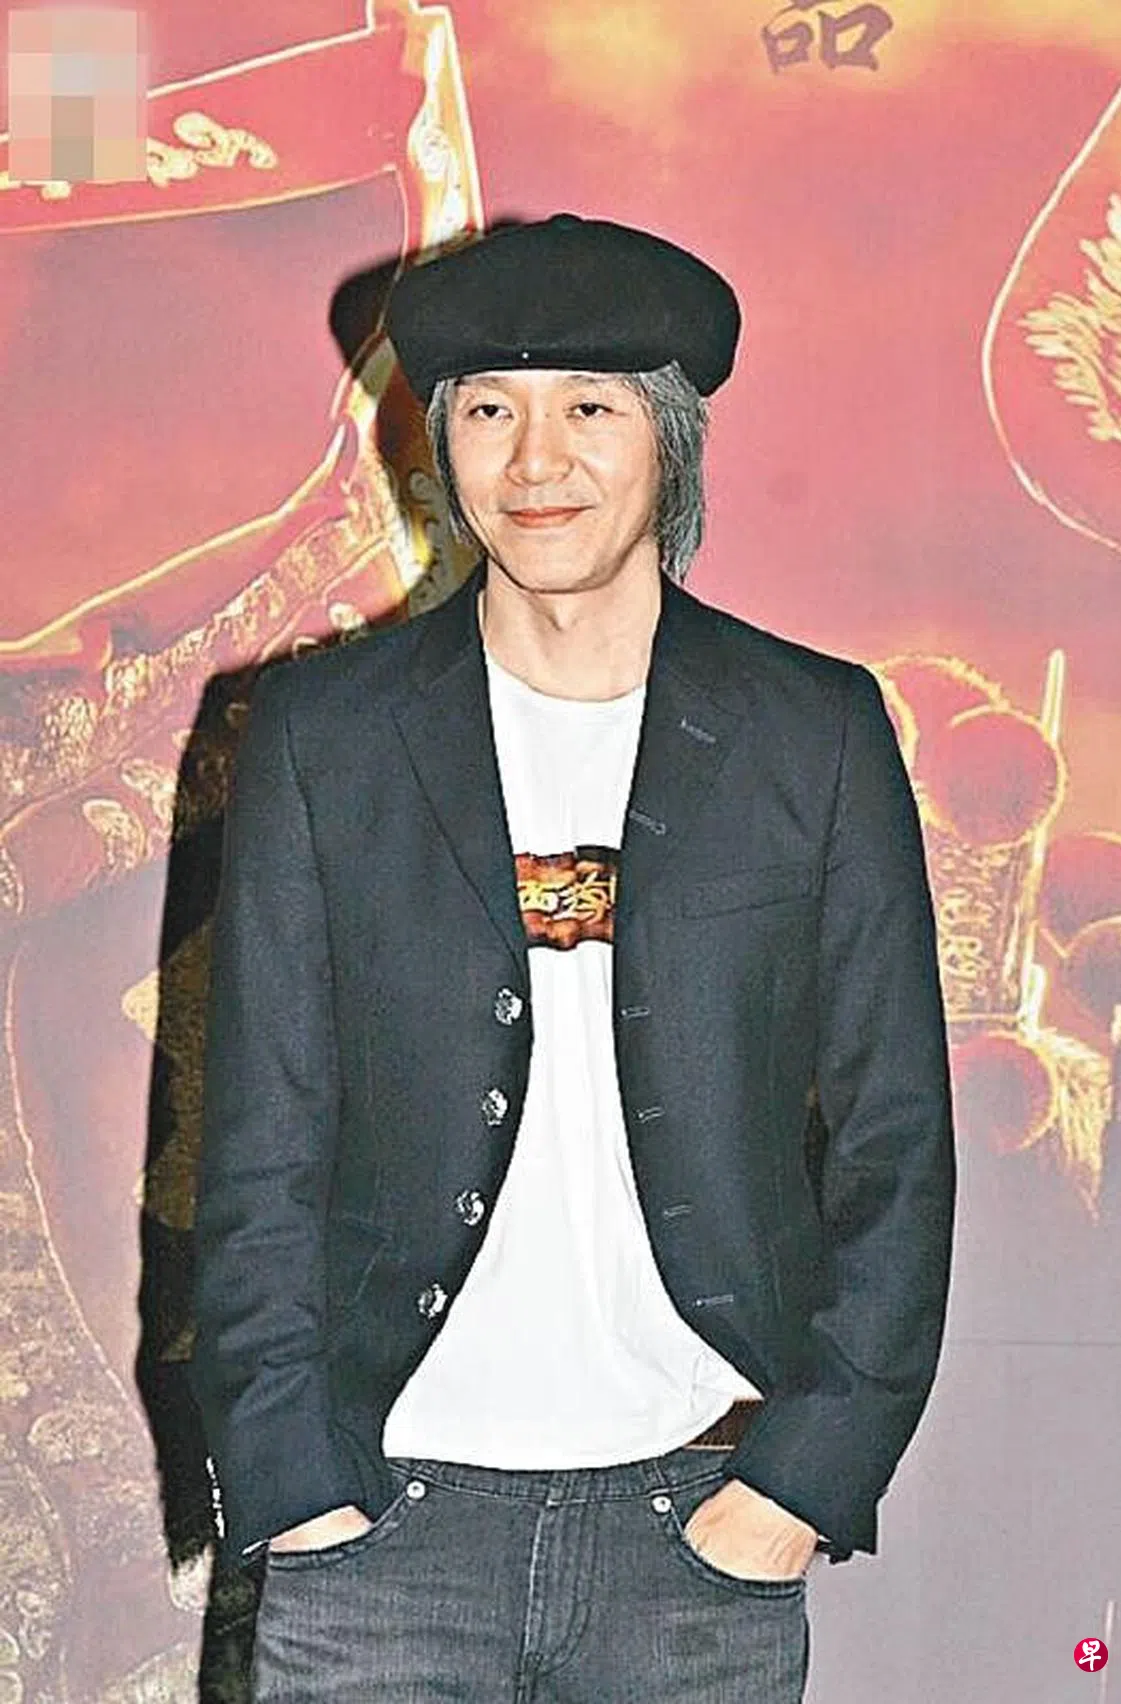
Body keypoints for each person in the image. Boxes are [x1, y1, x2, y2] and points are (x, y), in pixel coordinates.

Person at [190, 213, 955, 1703]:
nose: (535, 463)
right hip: (380, 1528)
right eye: (489, 411)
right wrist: (294, 1487)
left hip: (697, 1526)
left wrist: (800, 1483)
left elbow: (895, 1139)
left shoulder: (814, 734)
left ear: (670, 440)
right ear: (440, 445)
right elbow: (261, 1142)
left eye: (589, 408)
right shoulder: (323, 738)